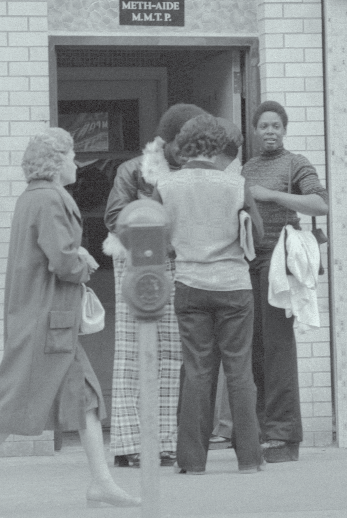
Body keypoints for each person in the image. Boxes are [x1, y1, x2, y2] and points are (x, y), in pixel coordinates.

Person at [0, 128, 140, 517]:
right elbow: (61, 261)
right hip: (49, 321)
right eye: (70, 153)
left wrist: (72, 254)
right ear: (54, 161)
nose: (75, 161)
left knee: (86, 400)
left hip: (43, 317)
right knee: (15, 403)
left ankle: (102, 483)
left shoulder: (33, 198)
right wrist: (84, 260)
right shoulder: (50, 199)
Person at [154, 114, 265, 474]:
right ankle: (249, 457)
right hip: (234, 286)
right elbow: (257, 237)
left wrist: (181, 248)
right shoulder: (235, 184)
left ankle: (191, 461)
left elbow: (158, 240)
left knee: (197, 370)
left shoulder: (166, 186)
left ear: (183, 147)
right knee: (239, 371)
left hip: (190, 285)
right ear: (217, 146)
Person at [103, 103, 207, 468]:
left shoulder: (195, 173)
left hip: (179, 265)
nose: (185, 151)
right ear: (165, 140)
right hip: (135, 263)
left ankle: (164, 442)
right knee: (131, 353)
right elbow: (115, 217)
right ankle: (130, 443)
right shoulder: (131, 170)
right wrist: (154, 231)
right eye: (181, 143)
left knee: (171, 356)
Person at [242, 101, 329, 463]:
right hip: (250, 263)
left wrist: (272, 196)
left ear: (285, 129)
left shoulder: (296, 164)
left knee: (278, 348)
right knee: (255, 349)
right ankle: (262, 429)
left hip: (279, 263)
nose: (270, 131)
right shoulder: (247, 167)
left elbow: (320, 204)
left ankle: (284, 435)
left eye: (276, 125)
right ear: (255, 130)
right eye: (264, 126)